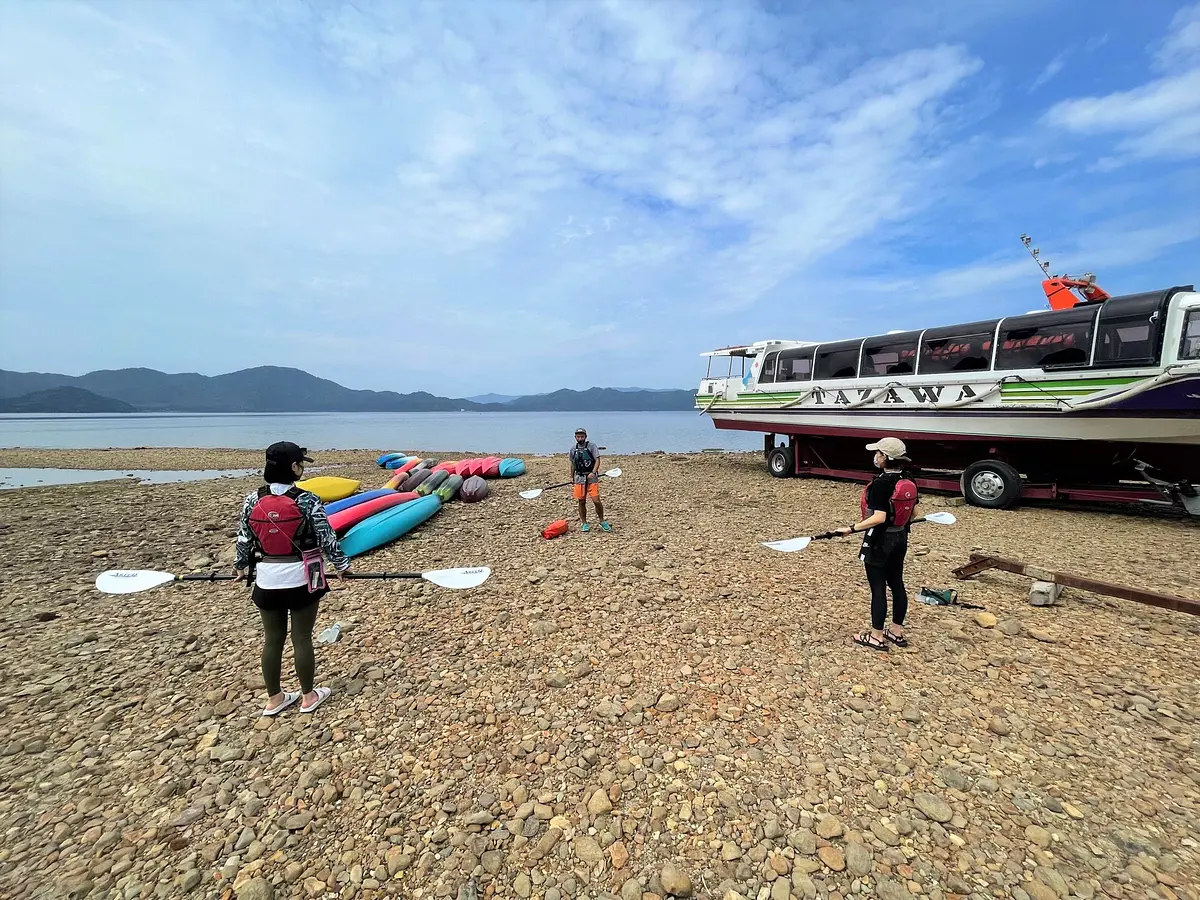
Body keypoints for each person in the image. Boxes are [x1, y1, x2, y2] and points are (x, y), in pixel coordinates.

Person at [234, 441, 350, 715]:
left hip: (267, 579)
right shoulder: (307, 500)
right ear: (295, 467)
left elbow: (243, 538)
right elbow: (326, 537)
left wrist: (240, 566)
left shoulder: (253, 499)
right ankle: (308, 696)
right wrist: (342, 565)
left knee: (272, 639)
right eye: (300, 463)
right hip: (302, 578)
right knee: (302, 637)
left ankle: (274, 699)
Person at [836, 437, 921, 651]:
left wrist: (851, 528)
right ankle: (896, 632)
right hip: (900, 539)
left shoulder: (881, 483)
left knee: (878, 587)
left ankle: (876, 637)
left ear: (885, 458)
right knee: (897, 584)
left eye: (878, 454)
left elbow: (879, 517)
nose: (875, 457)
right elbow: (914, 512)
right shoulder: (907, 478)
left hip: (880, 541)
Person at [569, 427, 611, 532]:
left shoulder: (592, 446)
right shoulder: (573, 449)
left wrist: (593, 472)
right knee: (581, 501)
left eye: (582, 436)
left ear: (585, 437)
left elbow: (597, 460)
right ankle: (584, 523)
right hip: (579, 478)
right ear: (575, 437)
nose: (580, 438)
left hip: (592, 478)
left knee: (596, 501)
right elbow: (572, 463)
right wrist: (571, 477)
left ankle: (602, 521)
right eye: (578, 436)